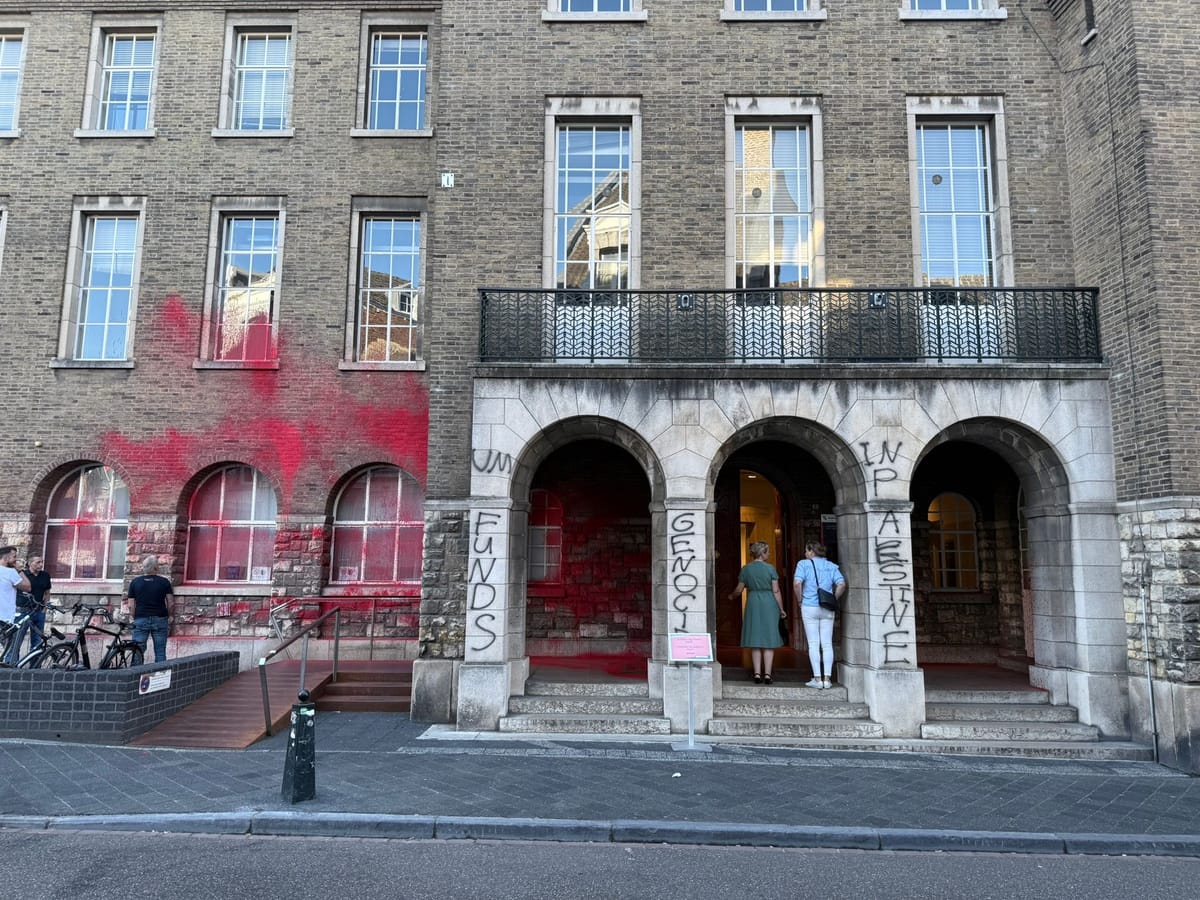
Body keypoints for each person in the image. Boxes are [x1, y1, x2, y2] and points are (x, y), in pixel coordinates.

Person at [728, 540, 787, 685]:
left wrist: (731, 596)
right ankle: (767, 675)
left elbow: (739, 590)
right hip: (769, 603)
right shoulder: (771, 569)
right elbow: (776, 591)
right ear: (762, 553)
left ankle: (756, 674)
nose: (769, 554)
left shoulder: (746, 569)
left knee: (755, 640)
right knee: (769, 640)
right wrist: (781, 609)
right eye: (767, 551)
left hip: (753, 602)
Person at [793, 541, 846, 689]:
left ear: (811, 551)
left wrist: (799, 600)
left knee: (813, 644)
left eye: (806, 551)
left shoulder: (803, 564)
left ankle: (817, 679)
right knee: (827, 643)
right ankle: (827, 680)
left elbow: (797, 583)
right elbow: (842, 584)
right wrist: (833, 598)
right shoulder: (831, 566)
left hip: (809, 606)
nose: (805, 553)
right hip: (827, 607)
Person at [126, 555, 174, 663]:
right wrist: (170, 616)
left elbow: (130, 605)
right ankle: (160, 673)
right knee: (160, 651)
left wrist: (134, 617)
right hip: (160, 618)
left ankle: (135, 672)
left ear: (143, 568)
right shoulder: (164, 582)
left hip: (141, 618)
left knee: (137, 651)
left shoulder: (135, 582)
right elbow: (170, 603)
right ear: (156, 568)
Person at [5, 554, 50, 665]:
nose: (40, 565)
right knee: (16, 640)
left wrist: (44, 608)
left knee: (37, 641)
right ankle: (11, 664)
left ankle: (34, 666)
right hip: (23, 611)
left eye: (42, 562)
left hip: (38, 611)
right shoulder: (22, 575)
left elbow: (47, 593)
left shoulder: (45, 575)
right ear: (30, 563)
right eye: (38, 562)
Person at [0, 546, 32, 666]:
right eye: (14, 557)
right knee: (11, 649)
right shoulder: (10, 572)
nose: (16, 560)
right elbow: (27, 587)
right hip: (4, 618)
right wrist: (19, 570)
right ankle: (10, 673)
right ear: (6, 558)